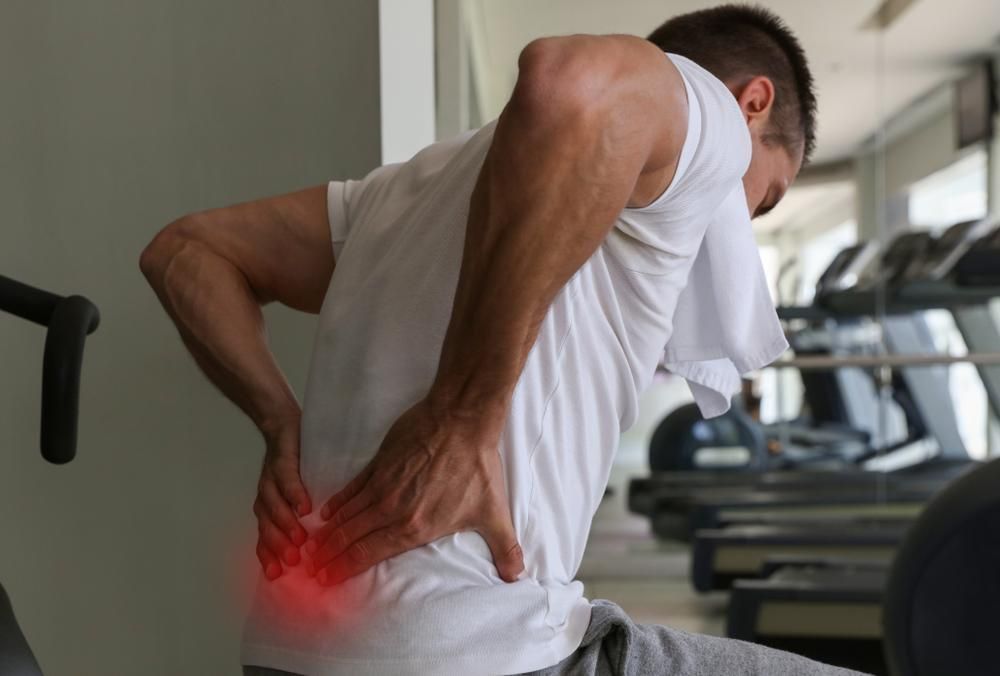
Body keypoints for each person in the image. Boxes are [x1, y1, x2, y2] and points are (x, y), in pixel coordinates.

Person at [140, 4, 866, 675]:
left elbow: (185, 254)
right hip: (475, 646)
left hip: (286, 648)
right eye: (763, 198)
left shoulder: (404, 190)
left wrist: (280, 423)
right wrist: (462, 420)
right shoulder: (710, 112)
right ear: (754, 102)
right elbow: (568, 79)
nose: (745, 225)